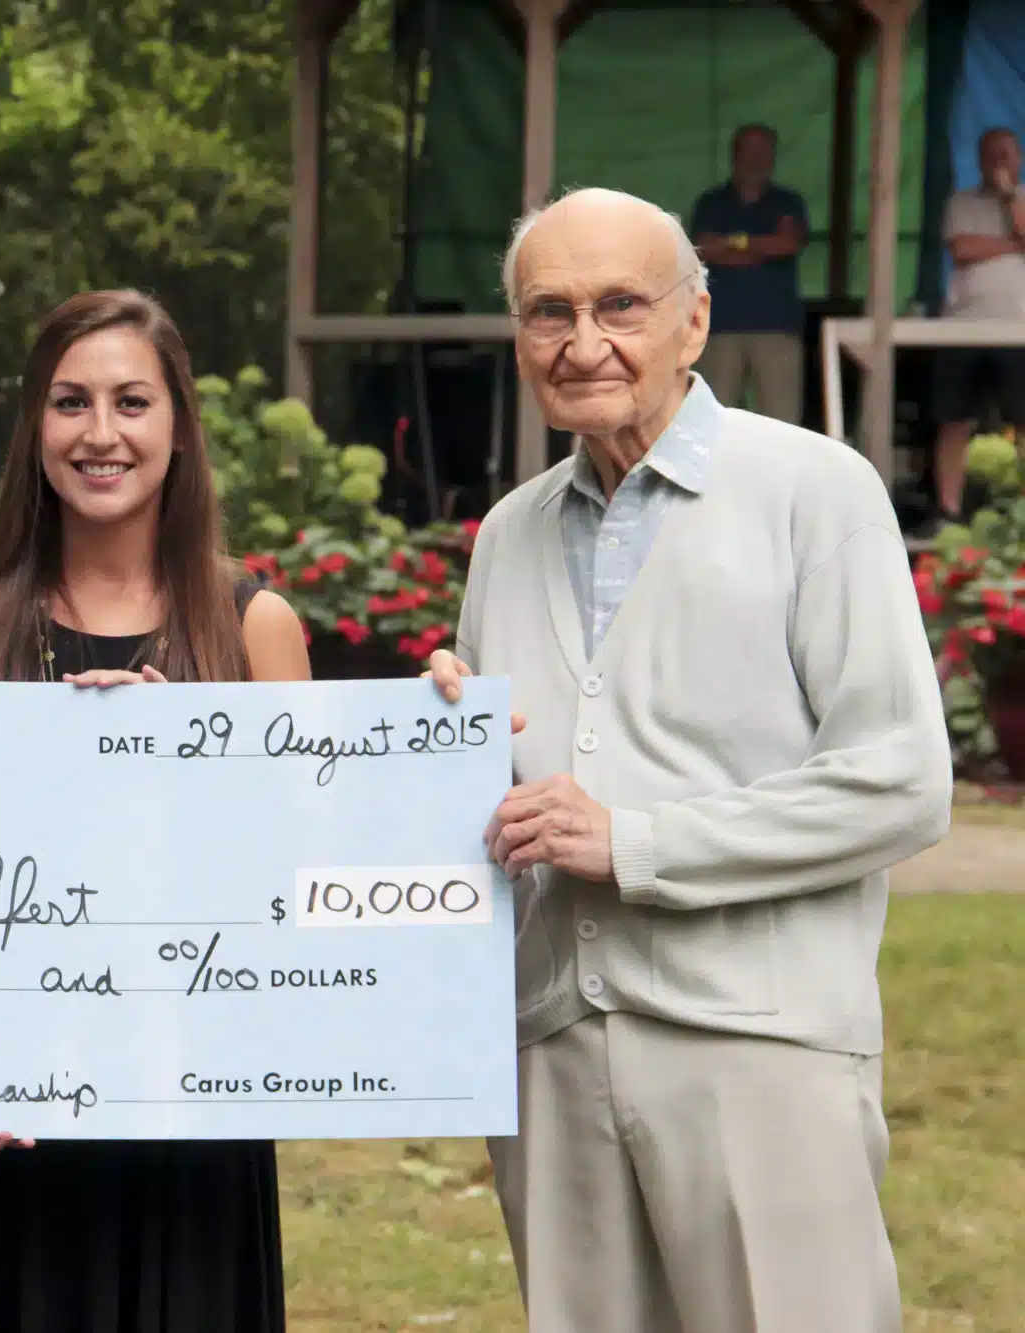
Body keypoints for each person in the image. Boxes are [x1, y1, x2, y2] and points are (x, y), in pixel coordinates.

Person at [428, 187, 951, 1333]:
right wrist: (436, 741)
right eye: (546, 311)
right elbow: (494, 811)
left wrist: (638, 841)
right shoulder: (507, 532)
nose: (582, 343)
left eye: (619, 305)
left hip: (756, 1045)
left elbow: (901, 779)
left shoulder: (813, 490)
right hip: (550, 1050)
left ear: (693, 322)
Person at [0, 289, 311, 1332]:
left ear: (177, 426)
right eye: (69, 402)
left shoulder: (255, 629)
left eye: (131, 401)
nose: (100, 433)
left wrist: (196, 772)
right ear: (34, 426)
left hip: (185, 1114)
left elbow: (305, 881)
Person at [929, 126, 1025, 532]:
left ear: (1018, 158)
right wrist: (1015, 245)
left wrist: (1009, 197)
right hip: (963, 327)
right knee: (954, 421)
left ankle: (1019, 515)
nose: (998, 161)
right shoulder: (961, 201)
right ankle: (949, 512)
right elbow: (962, 249)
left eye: (1005, 153)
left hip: (1018, 329)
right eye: (990, 154)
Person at [689, 123, 809, 424]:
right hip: (719, 327)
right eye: (749, 150)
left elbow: (787, 244)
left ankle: (778, 475)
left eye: (763, 150)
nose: (756, 158)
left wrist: (733, 243)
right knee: (711, 421)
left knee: (782, 424)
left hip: (777, 328)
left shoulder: (789, 202)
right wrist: (761, 248)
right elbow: (702, 250)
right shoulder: (711, 202)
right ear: (734, 156)